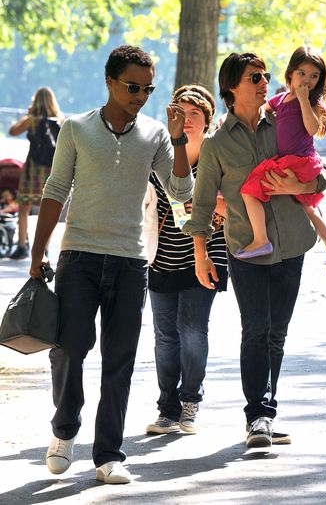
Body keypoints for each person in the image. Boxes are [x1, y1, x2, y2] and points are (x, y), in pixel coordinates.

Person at [28, 45, 194, 484]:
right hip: (78, 256)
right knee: (69, 349)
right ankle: (64, 431)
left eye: (148, 88)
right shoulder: (77, 128)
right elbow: (56, 188)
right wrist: (37, 250)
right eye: (132, 86)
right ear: (110, 81)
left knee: (118, 360)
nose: (140, 95)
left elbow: (180, 192)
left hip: (129, 262)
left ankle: (108, 455)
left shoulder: (157, 134)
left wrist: (178, 140)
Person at [183, 52, 326, 449]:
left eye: (265, 75)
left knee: (276, 334)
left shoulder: (282, 117)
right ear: (232, 86)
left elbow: (319, 168)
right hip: (245, 250)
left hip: (293, 244)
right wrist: (200, 253)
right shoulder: (215, 142)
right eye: (255, 77)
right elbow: (200, 205)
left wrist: (305, 187)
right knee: (257, 329)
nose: (264, 81)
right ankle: (259, 415)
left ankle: (266, 412)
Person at [146, 85, 228, 436]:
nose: (187, 119)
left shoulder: (218, 155)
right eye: (181, 112)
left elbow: (237, 201)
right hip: (162, 255)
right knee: (165, 336)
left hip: (207, 254)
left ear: (208, 121)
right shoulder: (158, 154)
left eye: (195, 113)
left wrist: (213, 205)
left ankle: (190, 400)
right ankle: (167, 408)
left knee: (192, 331)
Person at [236, 46, 326, 277]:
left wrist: (304, 100)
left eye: (314, 76)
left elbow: (312, 128)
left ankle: (261, 240)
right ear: (290, 73)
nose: (307, 79)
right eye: (302, 73)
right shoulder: (280, 99)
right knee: (308, 206)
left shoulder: (311, 103)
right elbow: (259, 112)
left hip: (299, 162)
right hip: (293, 162)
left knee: (249, 190)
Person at [8, 87, 64, 259]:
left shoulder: (32, 120)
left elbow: (13, 131)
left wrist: (28, 115)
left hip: (32, 169)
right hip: (51, 170)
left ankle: (22, 246)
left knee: (24, 208)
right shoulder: (60, 121)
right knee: (47, 210)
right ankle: (44, 248)